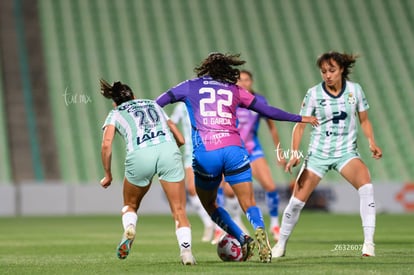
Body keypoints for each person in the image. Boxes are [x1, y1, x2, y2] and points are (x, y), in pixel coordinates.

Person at [156, 52, 318, 263]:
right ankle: (260, 230)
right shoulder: (235, 90)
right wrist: (300, 118)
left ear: (206, 68)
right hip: (235, 150)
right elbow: (267, 111)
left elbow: (158, 102)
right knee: (249, 202)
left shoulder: (189, 85)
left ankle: (242, 237)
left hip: (207, 153)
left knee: (210, 204)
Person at [272, 51, 382, 258]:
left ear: (341, 70)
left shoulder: (355, 90)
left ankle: (369, 244)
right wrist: (295, 153)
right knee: (296, 202)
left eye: (331, 70)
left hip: (345, 152)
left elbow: (364, 120)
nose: (327, 75)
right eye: (323, 71)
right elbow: (300, 125)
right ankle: (281, 244)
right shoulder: (314, 93)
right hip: (318, 154)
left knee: (366, 186)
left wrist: (371, 142)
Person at [99, 79, 196, 265]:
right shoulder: (153, 104)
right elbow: (180, 138)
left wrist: (108, 174)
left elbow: (106, 145)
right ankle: (186, 253)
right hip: (168, 149)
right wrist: (172, 150)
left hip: (140, 154)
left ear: (115, 102)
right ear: (134, 96)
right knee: (179, 209)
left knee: (130, 204)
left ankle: (130, 228)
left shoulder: (115, 113)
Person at [213, 70, 287, 244]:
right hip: (234, 151)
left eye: (246, 80)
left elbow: (272, 126)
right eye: (239, 80)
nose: (243, 83)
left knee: (270, 186)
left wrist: (279, 152)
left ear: (252, 82)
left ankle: (275, 225)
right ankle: (235, 223)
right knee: (229, 191)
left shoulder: (259, 101)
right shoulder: (229, 99)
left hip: (254, 151)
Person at [170, 102, 215, 242]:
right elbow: (170, 123)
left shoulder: (206, 103)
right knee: (192, 189)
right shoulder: (181, 107)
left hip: (209, 148)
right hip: (190, 151)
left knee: (215, 187)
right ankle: (209, 224)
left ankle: (222, 224)